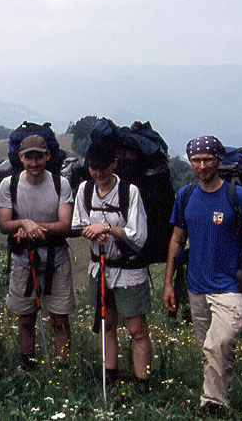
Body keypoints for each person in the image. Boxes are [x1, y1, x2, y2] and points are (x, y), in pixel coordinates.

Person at [163, 135, 242, 417]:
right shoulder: (185, 196)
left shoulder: (238, 196)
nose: (202, 165)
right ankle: (217, 402)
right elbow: (176, 240)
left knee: (217, 345)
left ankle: (212, 406)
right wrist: (168, 283)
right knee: (209, 352)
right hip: (196, 288)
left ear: (219, 161)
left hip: (230, 287)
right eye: (196, 160)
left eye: (208, 159)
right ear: (190, 162)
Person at [72, 141, 152, 389]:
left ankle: (143, 383)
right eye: (94, 169)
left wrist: (107, 228)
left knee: (137, 330)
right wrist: (92, 233)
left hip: (129, 271)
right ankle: (111, 378)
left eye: (104, 168)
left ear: (114, 164)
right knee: (107, 325)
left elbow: (138, 235)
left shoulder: (130, 192)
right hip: (101, 269)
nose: (99, 174)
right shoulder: (85, 190)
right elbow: (78, 224)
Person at [0, 134, 74, 369]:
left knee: (60, 318)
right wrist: (23, 225)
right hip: (23, 259)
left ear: (47, 156)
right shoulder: (9, 185)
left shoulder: (61, 184)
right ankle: (28, 364)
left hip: (56, 259)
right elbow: (3, 225)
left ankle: (62, 367)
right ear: (20, 158)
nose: (34, 163)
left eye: (38, 157)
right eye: (28, 158)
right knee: (26, 318)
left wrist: (31, 226)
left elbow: (65, 225)